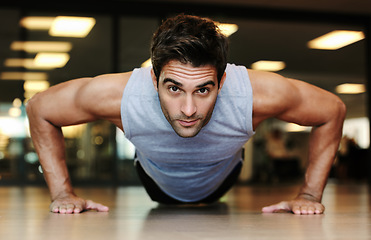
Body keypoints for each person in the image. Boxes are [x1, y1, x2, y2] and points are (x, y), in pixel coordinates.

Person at [26, 14, 346, 215]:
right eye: (174, 88)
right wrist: (62, 193)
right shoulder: (118, 95)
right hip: (155, 183)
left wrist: (309, 194)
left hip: (222, 180)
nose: (189, 110)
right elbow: (40, 108)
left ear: (221, 80)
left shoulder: (258, 93)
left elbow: (332, 110)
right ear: (154, 79)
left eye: (203, 90)